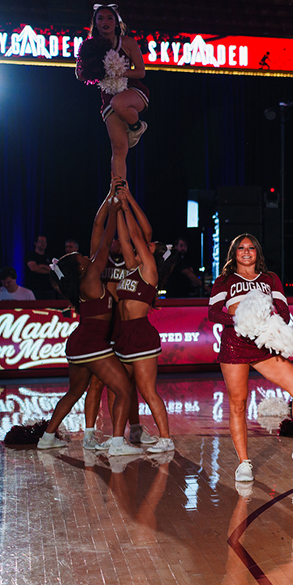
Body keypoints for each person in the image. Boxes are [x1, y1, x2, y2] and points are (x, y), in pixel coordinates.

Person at [208, 233, 293, 483]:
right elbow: (213, 313)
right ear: (234, 253)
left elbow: (284, 310)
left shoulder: (270, 279)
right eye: (241, 248)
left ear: (258, 253)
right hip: (235, 345)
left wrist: (266, 323)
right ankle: (244, 462)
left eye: (251, 248)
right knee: (238, 404)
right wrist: (240, 321)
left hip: (263, 344)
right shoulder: (225, 280)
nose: (246, 251)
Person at [37, 185, 137, 451]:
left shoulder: (82, 280)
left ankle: (47, 438)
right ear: (79, 266)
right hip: (92, 344)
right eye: (78, 256)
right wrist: (115, 211)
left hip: (80, 344)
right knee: (125, 389)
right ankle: (117, 442)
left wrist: (108, 196)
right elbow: (104, 241)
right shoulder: (91, 277)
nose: (83, 255)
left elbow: (95, 225)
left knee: (74, 392)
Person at [108, 186, 174, 455]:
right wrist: (119, 207)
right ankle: (119, 439)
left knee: (148, 390)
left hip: (141, 335)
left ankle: (166, 439)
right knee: (121, 388)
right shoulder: (131, 269)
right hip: (123, 334)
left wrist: (127, 203)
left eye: (149, 247)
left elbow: (135, 236)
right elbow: (125, 239)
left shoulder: (149, 271)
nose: (142, 246)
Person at [75, 4, 149, 182]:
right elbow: (80, 75)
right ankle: (119, 189)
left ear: (116, 22)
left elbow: (141, 72)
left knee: (119, 103)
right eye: (100, 18)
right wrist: (92, 70)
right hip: (108, 98)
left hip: (133, 91)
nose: (105, 22)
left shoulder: (128, 42)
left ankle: (137, 127)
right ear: (95, 23)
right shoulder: (89, 46)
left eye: (110, 18)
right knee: (119, 147)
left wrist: (119, 72)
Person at [23, 235, 55, 299]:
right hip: (34, 289)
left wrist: (41, 266)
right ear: (35, 243)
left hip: (49, 289)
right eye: (41, 241)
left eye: (45, 242)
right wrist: (47, 269)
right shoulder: (31, 255)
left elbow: (53, 270)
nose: (43, 243)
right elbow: (33, 268)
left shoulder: (49, 256)